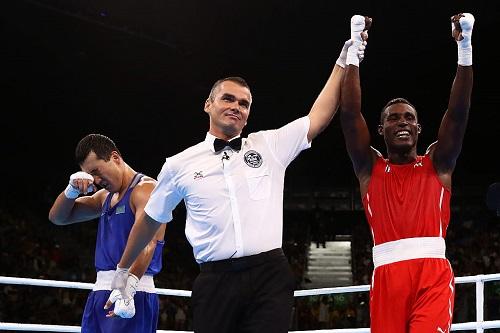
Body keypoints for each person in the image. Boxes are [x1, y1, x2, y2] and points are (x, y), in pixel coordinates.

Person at [108, 16, 370, 333]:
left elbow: (318, 115)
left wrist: (343, 61)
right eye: (228, 98)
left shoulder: (268, 145)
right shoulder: (178, 164)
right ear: (208, 104)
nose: (237, 106)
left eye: (244, 103)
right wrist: (122, 272)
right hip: (215, 279)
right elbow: (150, 219)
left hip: (269, 275)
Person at [339, 13, 474, 333]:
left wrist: (465, 47)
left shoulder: (438, 163)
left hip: (432, 276)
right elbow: (348, 114)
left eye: (408, 117)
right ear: (381, 129)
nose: (402, 122)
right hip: (386, 279)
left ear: (419, 128)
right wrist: (355, 49)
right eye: (393, 118)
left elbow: (458, 113)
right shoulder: (369, 168)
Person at [48, 134, 166, 332]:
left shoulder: (146, 190)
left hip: (132, 290)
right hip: (100, 291)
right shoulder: (104, 197)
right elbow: (58, 217)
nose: (95, 180)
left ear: (115, 157)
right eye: (89, 175)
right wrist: (71, 191)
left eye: (96, 171)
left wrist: (128, 287)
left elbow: (149, 242)